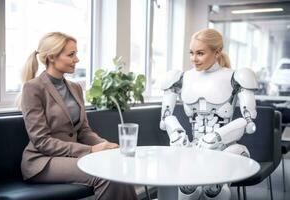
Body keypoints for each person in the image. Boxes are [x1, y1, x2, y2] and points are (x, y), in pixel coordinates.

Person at [19, 32, 137, 200]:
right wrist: (90, 150)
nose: (77, 59)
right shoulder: (33, 88)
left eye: (76, 54)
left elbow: (83, 131)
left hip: (69, 157)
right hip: (43, 161)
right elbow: (41, 141)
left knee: (119, 170)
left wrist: (104, 145)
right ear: (52, 57)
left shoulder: (75, 88)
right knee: (106, 174)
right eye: (71, 54)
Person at [159, 28, 258, 200]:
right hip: (194, 149)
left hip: (227, 149)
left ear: (217, 51)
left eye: (200, 53)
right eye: (191, 53)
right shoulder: (182, 78)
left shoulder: (235, 77)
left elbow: (248, 122)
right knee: (186, 187)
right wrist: (176, 132)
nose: (193, 59)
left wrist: (218, 135)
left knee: (213, 188)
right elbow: (165, 118)